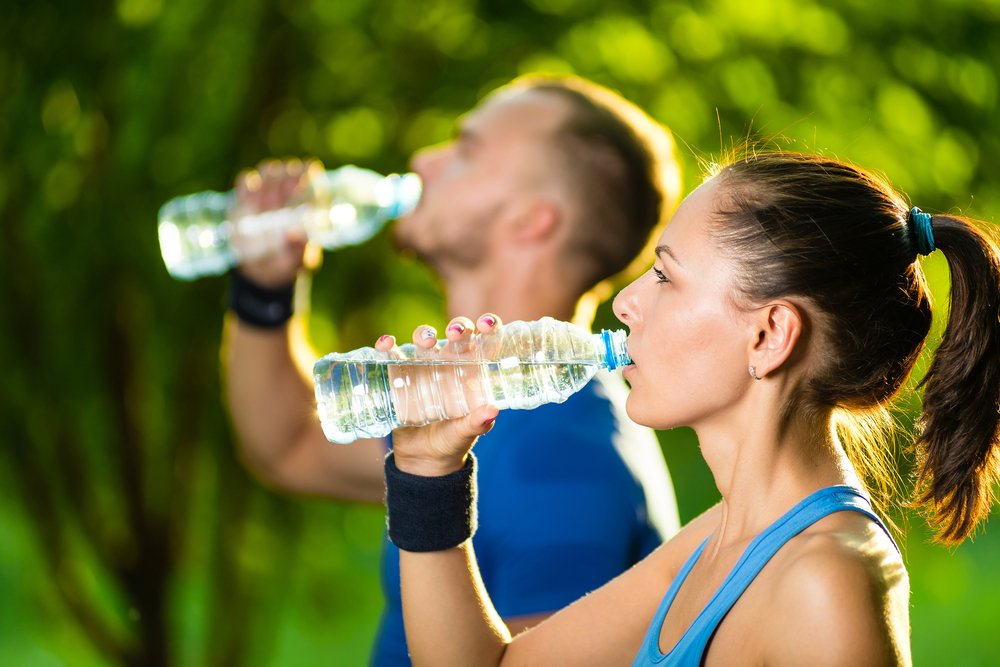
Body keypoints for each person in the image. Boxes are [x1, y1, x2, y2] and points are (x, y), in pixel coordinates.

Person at [383, 151, 1000, 666]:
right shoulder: (719, 537)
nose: (625, 303)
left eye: (664, 277)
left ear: (769, 336)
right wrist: (427, 472)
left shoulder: (825, 581)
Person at [222, 75, 684, 665]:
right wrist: (264, 290)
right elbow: (287, 445)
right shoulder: (482, 404)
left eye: (465, 149)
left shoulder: (562, 455)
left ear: (531, 219)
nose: (423, 160)